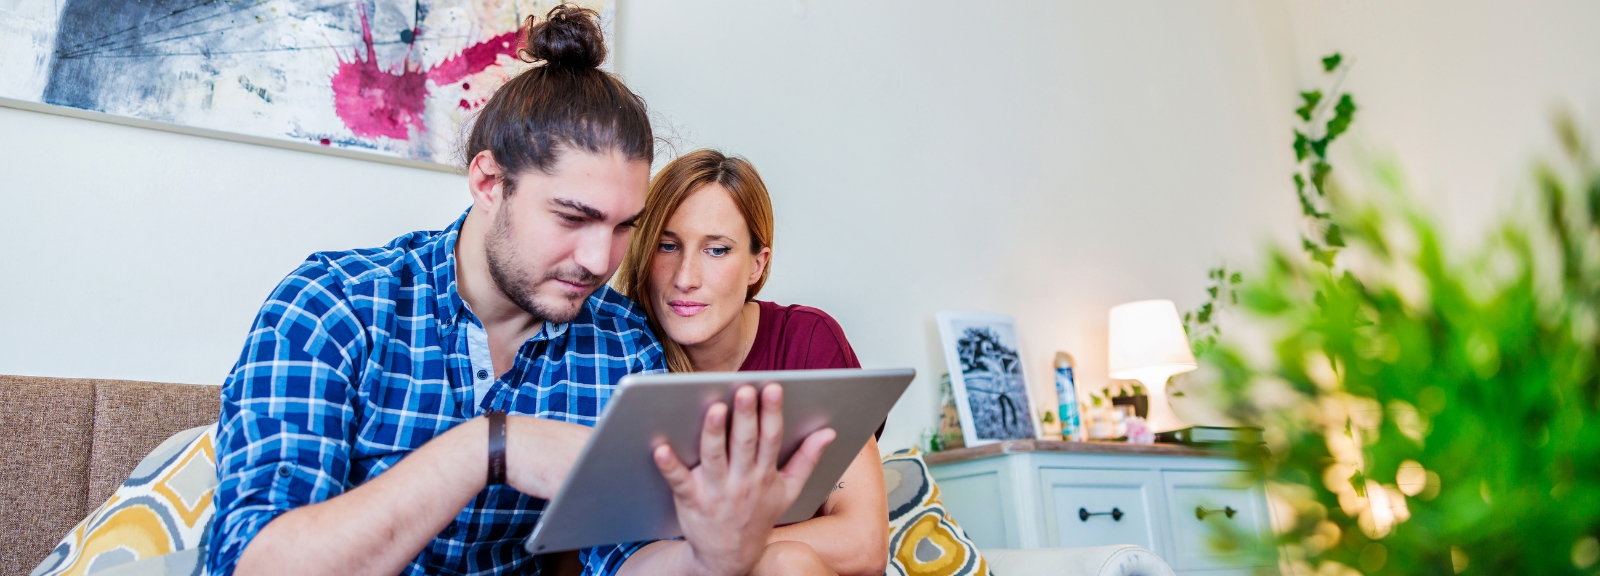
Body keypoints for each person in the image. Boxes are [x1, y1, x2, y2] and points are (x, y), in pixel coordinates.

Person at [207, 6, 835, 576]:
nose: (599, 261)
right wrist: (490, 447)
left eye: (623, 227)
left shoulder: (619, 344)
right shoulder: (332, 308)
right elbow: (255, 564)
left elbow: (624, 561)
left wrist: (715, 554)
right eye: (571, 217)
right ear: (488, 183)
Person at [614, 150, 890, 576]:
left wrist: (714, 549)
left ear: (756, 265)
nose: (685, 277)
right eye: (668, 246)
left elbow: (864, 544)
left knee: (788, 562)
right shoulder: (616, 354)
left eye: (717, 250)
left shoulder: (807, 342)